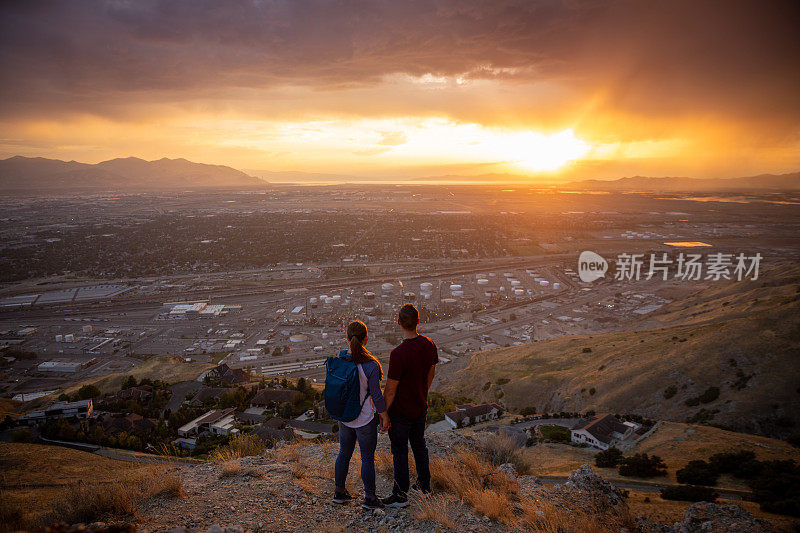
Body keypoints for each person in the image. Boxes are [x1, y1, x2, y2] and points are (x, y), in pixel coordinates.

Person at [381, 303, 438, 508]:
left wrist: (384, 413)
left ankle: (400, 495)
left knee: (399, 450)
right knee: (419, 446)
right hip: (420, 406)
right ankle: (424, 487)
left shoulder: (398, 353)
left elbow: (390, 389)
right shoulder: (429, 344)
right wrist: (423, 392)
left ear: (398, 323)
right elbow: (431, 372)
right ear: (418, 321)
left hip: (401, 411)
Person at [332, 320, 390, 510]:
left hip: (345, 416)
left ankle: (339, 492)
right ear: (366, 339)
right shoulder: (371, 365)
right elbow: (376, 395)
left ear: (347, 338)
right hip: (364, 418)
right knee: (366, 458)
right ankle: (370, 498)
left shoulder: (340, 360)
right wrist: (384, 415)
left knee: (344, 454)